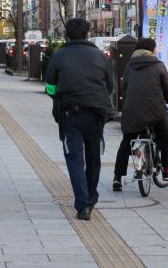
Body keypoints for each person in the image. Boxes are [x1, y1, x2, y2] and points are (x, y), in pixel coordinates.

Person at [45, 18, 114, 221]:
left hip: (70, 115)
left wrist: (59, 97)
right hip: (96, 115)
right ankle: (91, 197)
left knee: (75, 159)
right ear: (87, 33)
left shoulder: (59, 56)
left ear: (67, 34)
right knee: (94, 158)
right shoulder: (100, 56)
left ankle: (83, 205)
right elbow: (109, 86)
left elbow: (50, 86)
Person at [113, 37, 168, 192]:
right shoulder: (158, 65)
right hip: (155, 111)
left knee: (126, 141)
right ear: (152, 49)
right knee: (167, 136)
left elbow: (123, 87)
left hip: (132, 111)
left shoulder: (130, 65)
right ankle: (167, 170)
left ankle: (117, 178)